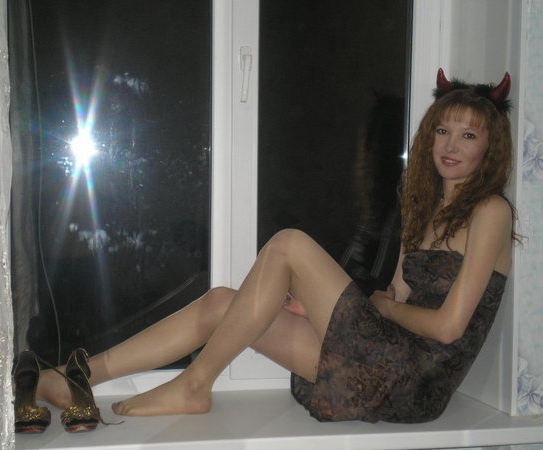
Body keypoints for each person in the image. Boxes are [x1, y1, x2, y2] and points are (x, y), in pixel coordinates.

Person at [34, 69, 517, 424]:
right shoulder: (423, 210)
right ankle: (74, 378)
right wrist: (328, 306)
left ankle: (194, 384)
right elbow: (395, 299)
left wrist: (382, 310)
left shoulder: (491, 211)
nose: (450, 145)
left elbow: (449, 327)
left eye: (468, 135)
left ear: (489, 147)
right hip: (384, 360)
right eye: (442, 130)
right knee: (222, 303)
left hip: (417, 382)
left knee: (289, 244)